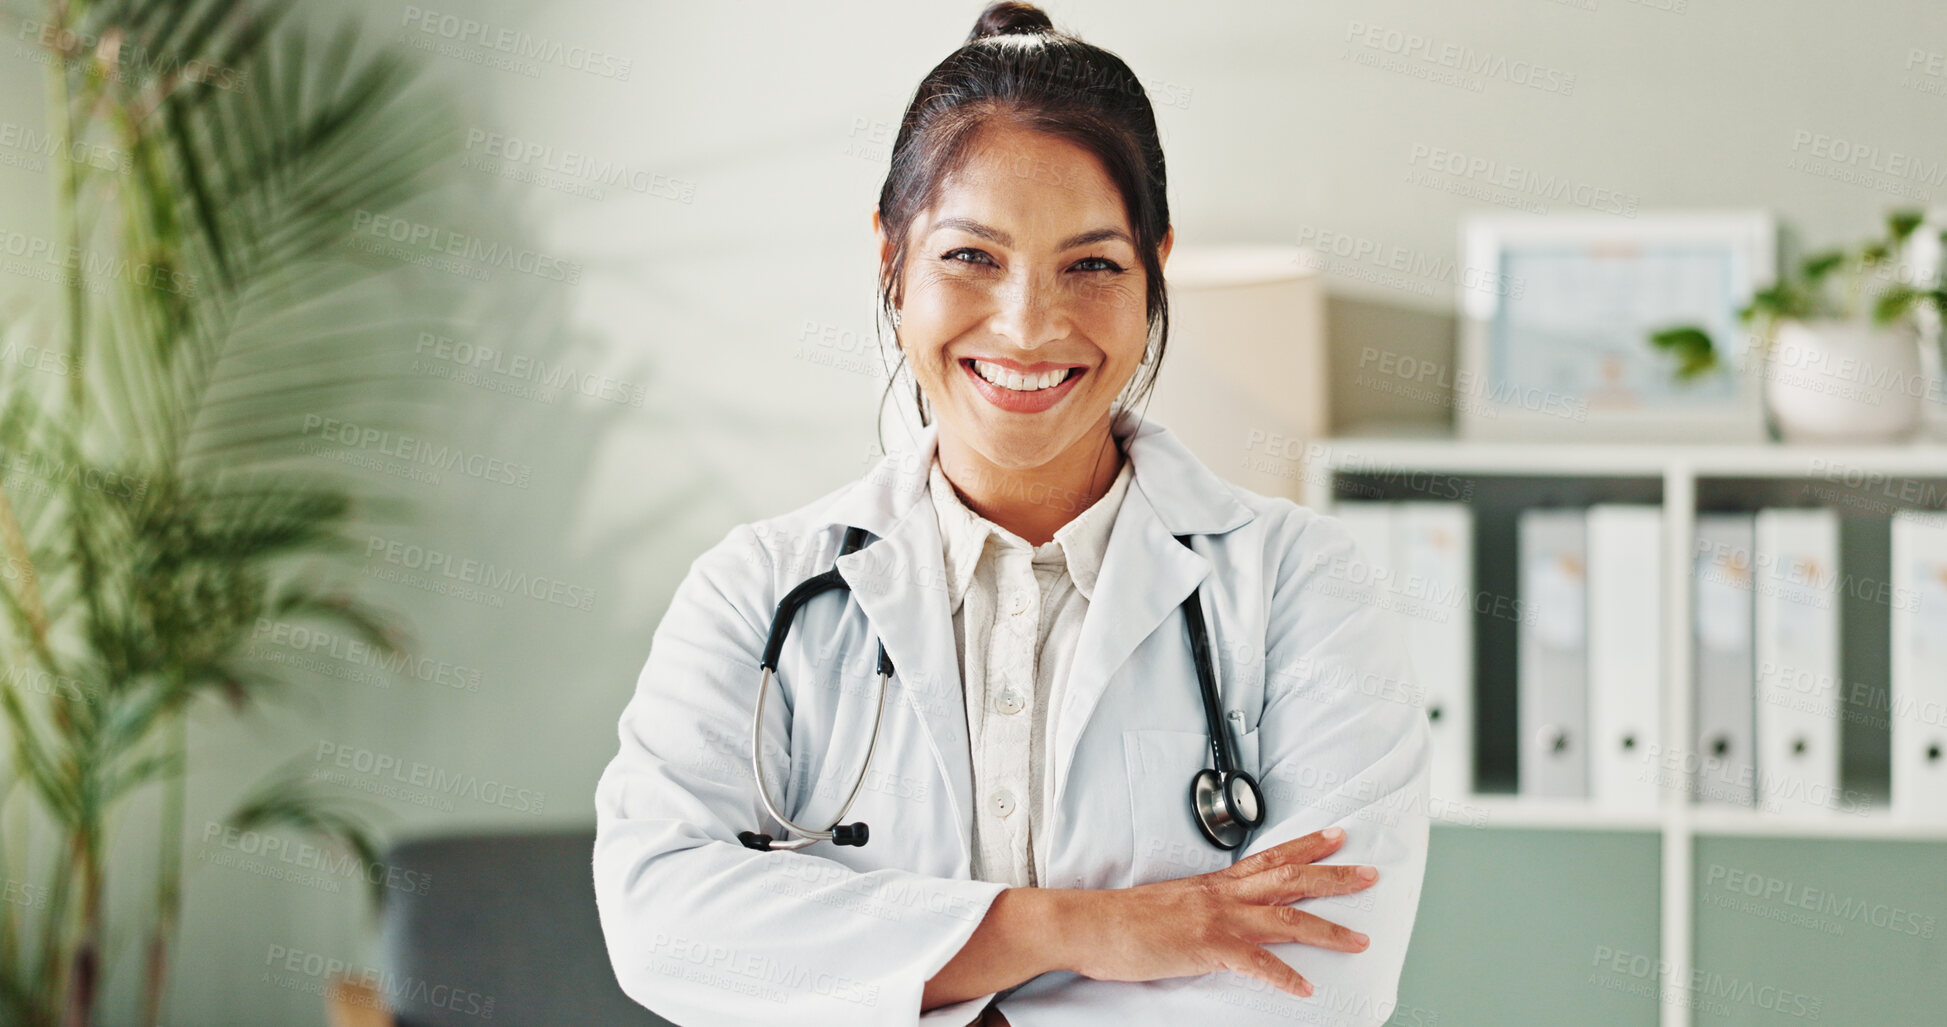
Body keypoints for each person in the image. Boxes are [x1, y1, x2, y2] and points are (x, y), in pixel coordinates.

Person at [592, 4, 1432, 1024]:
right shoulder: (753, 586)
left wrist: (909, 980)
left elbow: (1317, 985)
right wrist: (1084, 928)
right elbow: (665, 922)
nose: (1030, 324)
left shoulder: (1305, 587)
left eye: (1091, 264)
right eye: (970, 257)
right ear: (890, 258)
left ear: (1155, 266)